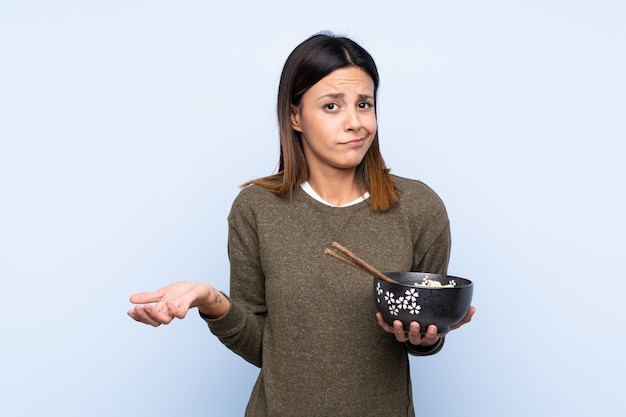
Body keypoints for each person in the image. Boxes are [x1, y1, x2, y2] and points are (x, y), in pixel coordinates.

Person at [128, 32, 475, 416]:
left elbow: (421, 328)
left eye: (364, 104)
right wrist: (212, 302)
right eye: (331, 106)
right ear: (295, 116)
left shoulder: (418, 207)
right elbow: (265, 348)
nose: (355, 123)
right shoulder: (256, 208)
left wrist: (427, 336)